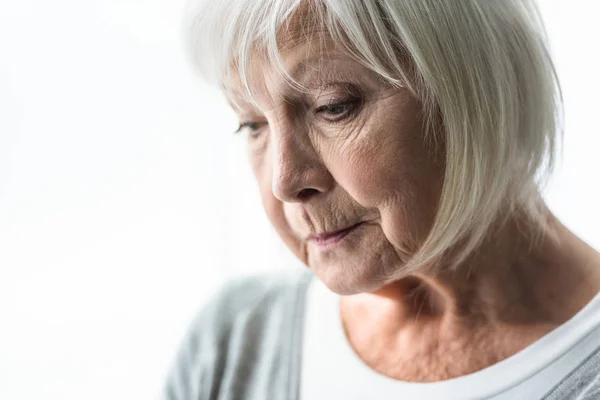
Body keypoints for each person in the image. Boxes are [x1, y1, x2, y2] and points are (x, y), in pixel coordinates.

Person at [164, 0, 600, 399]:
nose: (285, 180)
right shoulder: (233, 342)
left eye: (333, 106)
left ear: (484, 84)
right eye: (253, 125)